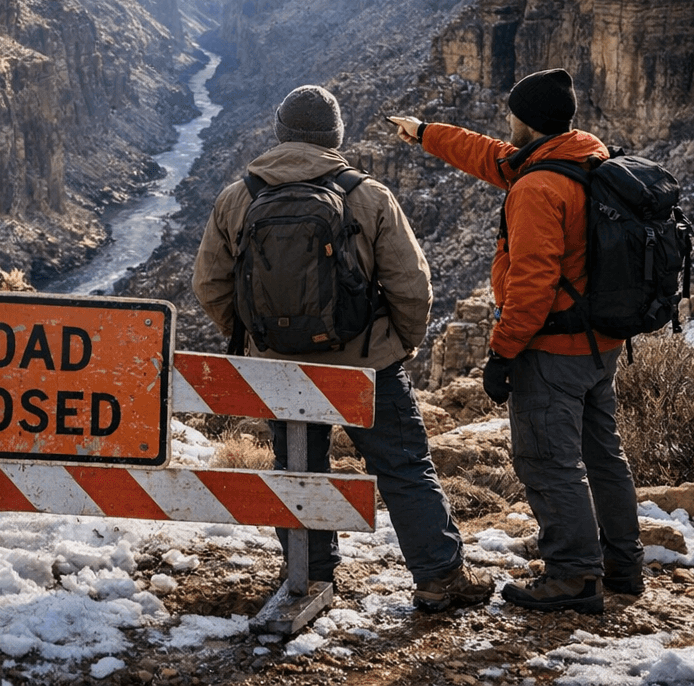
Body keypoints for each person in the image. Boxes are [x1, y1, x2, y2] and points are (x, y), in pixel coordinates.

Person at [193, 84, 493, 613]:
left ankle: (310, 576)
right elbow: (411, 286)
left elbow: (210, 284)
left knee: (298, 472)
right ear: (336, 138)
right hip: (366, 366)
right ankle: (438, 578)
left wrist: (260, 340)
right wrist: (396, 345)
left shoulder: (237, 198)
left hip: (280, 370)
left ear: (280, 133)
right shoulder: (370, 196)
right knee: (403, 468)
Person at [389, 68, 644, 615]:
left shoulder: (537, 188)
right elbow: (490, 155)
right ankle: (623, 564)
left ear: (526, 120)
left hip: (553, 350)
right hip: (601, 344)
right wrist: (425, 130)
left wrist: (502, 353)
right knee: (603, 456)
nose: (507, 125)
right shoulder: (583, 157)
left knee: (548, 462)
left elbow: (531, 286)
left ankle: (574, 576)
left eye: (512, 116)